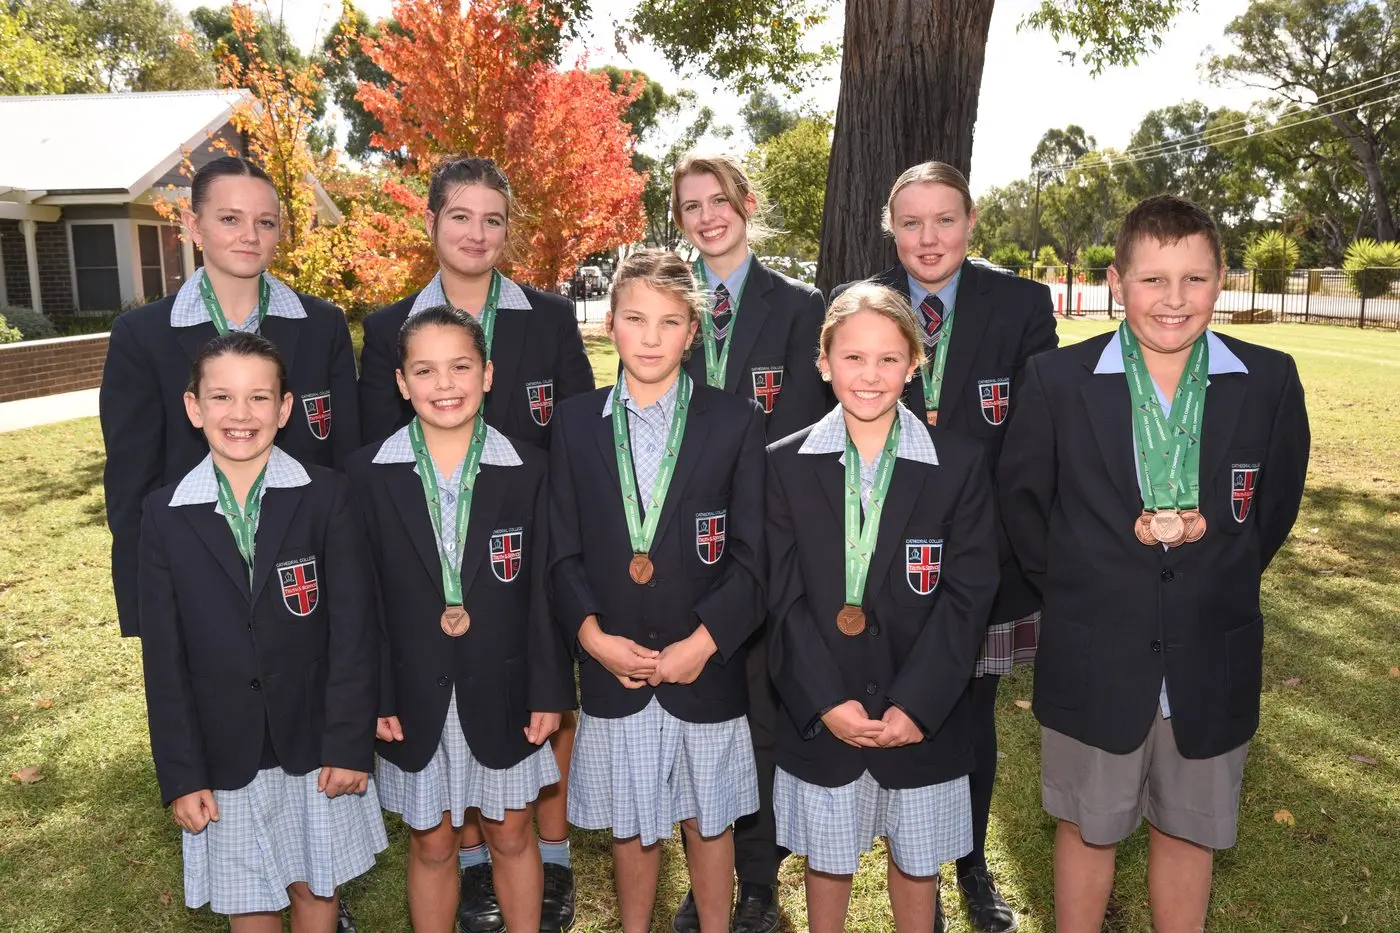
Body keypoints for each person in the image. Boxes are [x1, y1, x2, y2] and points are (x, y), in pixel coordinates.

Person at [996, 195, 1310, 933]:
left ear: (1222, 279)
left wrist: (1206, 569)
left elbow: (1270, 514)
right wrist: (1091, 583)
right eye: (1153, 280)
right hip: (1095, 646)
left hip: (1210, 647)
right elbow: (1023, 507)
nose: (1174, 300)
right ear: (1116, 281)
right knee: (1086, 825)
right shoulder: (1056, 380)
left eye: (1194, 280)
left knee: (1189, 827)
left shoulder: (1269, 381)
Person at [356, 155, 592, 931]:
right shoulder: (389, 328)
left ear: (484, 372)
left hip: (515, 577)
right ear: (431, 222)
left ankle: (541, 875)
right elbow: (374, 519)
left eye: (494, 218)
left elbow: (581, 440)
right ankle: (468, 882)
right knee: (434, 830)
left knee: (512, 815)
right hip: (425, 590)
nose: (476, 231)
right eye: (461, 215)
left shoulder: (548, 318)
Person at [832, 161, 1056, 932]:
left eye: (945, 220)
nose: (928, 238)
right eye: (911, 222)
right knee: (881, 699)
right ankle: (866, 844)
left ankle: (969, 863)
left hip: (979, 560)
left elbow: (1033, 439)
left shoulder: (1022, 303)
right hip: (879, 555)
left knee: (970, 711)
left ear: (970, 223)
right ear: (890, 228)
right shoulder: (861, 302)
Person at [766, 283, 999, 933]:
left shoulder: (958, 464)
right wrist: (825, 701)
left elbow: (968, 594)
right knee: (829, 860)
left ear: (914, 364)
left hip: (923, 714)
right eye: (853, 357)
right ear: (823, 362)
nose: (870, 375)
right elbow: (781, 596)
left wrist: (918, 703)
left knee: (916, 863)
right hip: (825, 711)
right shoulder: (783, 466)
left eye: (889, 359)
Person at [548, 250, 767, 933]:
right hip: (615, 666)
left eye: (669, 322)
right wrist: (591, 636)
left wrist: (703, 642)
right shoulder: (576, 422)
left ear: (692, 333)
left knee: (708, 822)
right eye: (635, 318)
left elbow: (754, 558)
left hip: (702, 666)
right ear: (610, 323)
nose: (650, 336)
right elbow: (561, 548)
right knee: (632, 827)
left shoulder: (734, 422)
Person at [138, 332, 385, 933]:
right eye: (221, 397)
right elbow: (164, 660)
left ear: (285, 407)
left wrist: (349, 741)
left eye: (258, 398)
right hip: (223, 750)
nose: (240, 415)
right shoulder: (163, 513)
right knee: (248, 899)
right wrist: (183, 772)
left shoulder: (326, 496)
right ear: (194, 407)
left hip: (315, 742)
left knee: (316, 886)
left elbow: (355, 629)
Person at [102, 155, 361, 639]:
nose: (250, 235)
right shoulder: (143, 336)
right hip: (197, 575)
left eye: (266, 222)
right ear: (192, 225)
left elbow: (344, 457)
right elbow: (130, 483)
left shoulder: (323, 325)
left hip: (304, 577)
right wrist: (146, 604)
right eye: (229, 219)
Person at [669, 153, 828, 933]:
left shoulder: (800, 308)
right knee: (699, 709)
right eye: (691, 206)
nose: (707, 216)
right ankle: (706, 871)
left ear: (745, 203)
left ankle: (759, 879)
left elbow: (813, 431)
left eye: (719, 200)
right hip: (683, 543)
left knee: (762, 706)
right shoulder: (674, 307)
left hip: (768, 539)